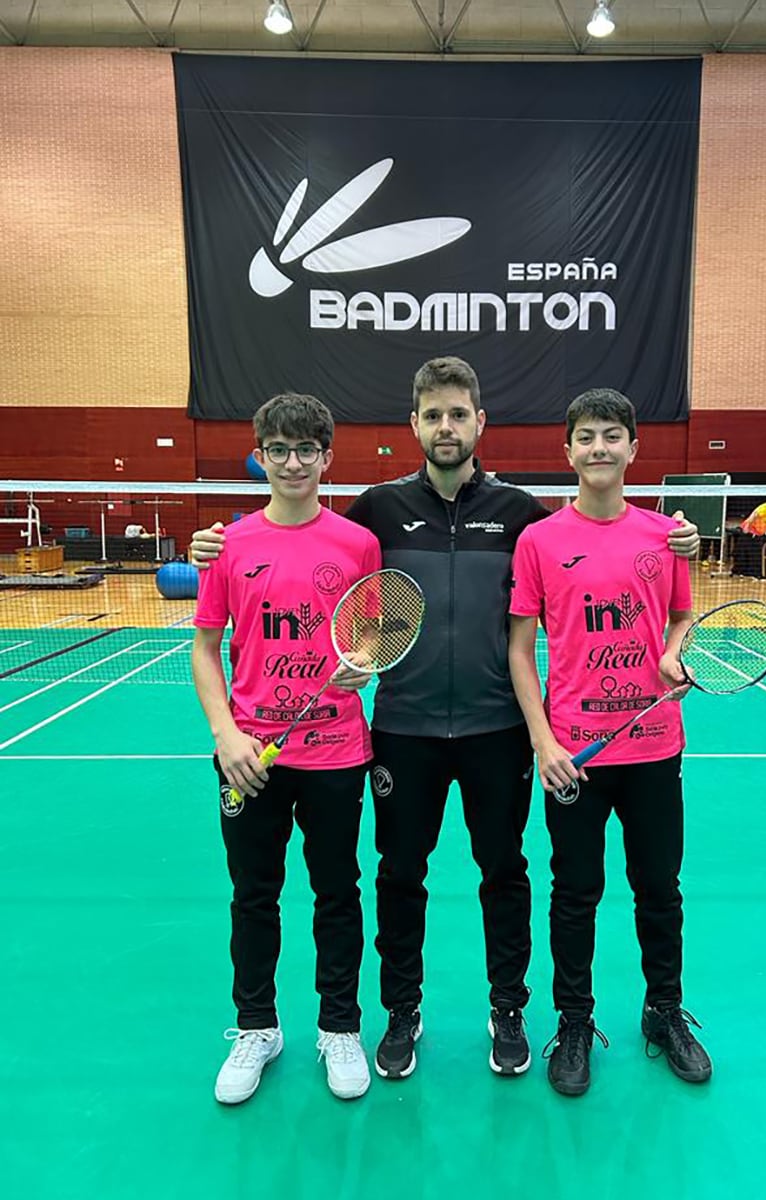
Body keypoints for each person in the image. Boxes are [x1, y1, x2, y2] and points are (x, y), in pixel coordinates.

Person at [190, 358, 701, 1082]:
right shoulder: (374, 514)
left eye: (459, 414)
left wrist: (679, 539)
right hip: (405, 729)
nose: (447, 427)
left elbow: (607, 549)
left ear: (479, 422)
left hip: (498, 730)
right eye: (434, 415)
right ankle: (400, 1013)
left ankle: (511, 1010)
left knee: (506, 873)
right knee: (400, 874)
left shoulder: (526, 517)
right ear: (416, 425)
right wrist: (211, 544)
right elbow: (336, 583)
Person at [508, 387, 712, 1097]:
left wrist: (675, 653)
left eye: (611, 435)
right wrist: (543, 744)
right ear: (567, 451)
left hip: (655, 747)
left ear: (633, 448)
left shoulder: (665, 536)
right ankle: (573, 1022)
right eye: (586, 436)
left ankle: (663, 1013)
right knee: (574, 893)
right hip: (575, 758)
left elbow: (683, 615)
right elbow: (519, 648)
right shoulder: (539, 541)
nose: (599, 448)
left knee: (659, 889)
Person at [192, 393, 381, 1106]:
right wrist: (226, 734)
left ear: (326, 458)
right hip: (250, 756)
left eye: (307, 450)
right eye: (279, 449)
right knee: (254, 896)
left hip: (334, 751)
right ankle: (257, 1028)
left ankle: (340, 1026)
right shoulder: (229, 544)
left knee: (336, 893)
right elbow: (206, 650)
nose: (293, 462)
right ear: (260, 455)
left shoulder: (357, 544)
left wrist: (360, 662)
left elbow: (367, 636)